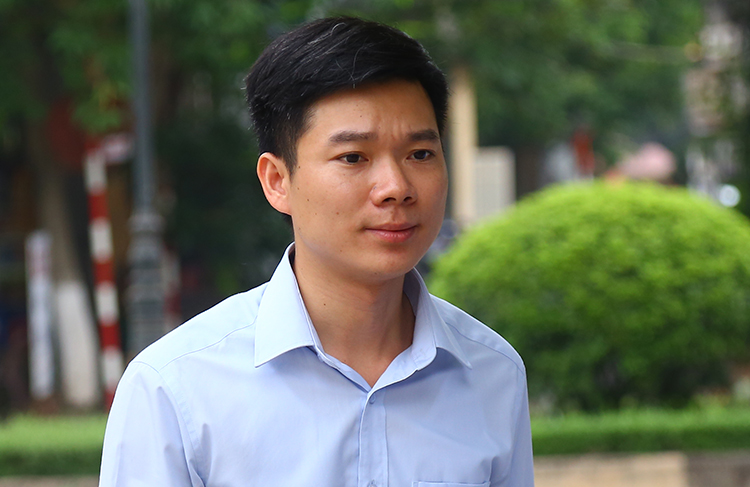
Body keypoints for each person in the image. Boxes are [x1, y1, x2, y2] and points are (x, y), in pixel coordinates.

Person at [99, 16, 534, 487]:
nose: (396, 187)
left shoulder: (492, 373)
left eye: (420, 154)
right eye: (353, 157)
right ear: (277, 181)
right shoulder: (174, 389)